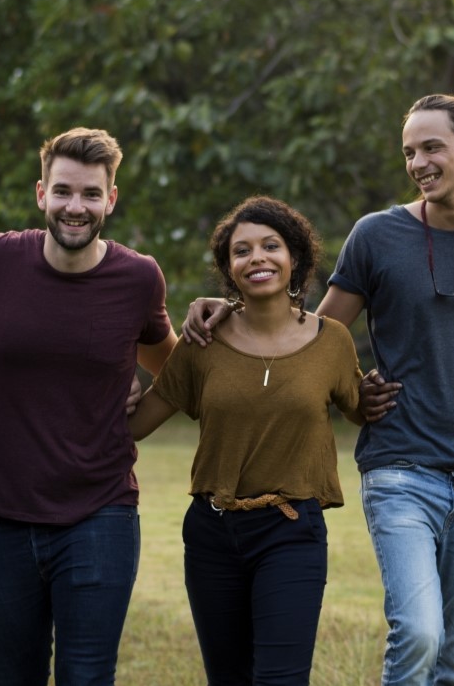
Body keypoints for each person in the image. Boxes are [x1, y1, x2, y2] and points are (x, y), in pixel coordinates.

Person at [184, 94, 454, 685]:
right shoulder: (377, 236)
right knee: (419, 632)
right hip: (402, 466)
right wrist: (231, 307)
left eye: (432, 147)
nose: (418, 162)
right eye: (409, 151)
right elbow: (311, 331)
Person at [0, 127, 176, 686]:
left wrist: (139, 406)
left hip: (100, 515)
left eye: (89, 194)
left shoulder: (137, 278)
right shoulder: (0, 259)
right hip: (2, 518)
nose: (74, 207)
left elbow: (177, 373)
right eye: (63, 191)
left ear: (110, 198)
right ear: (41, 194)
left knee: (87, 676)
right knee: (11, 677)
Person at [128, 196, 363, 686]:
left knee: (281, 678)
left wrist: (382, 393)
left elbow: (361, 408)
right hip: (212, 533)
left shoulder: (333, 341)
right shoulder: (202, 342)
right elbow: (138, 422)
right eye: (242, 251)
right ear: (228, 269)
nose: (257, 258)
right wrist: (102, 388)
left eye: (270, 246)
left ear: (294, 258)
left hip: (291, 530)